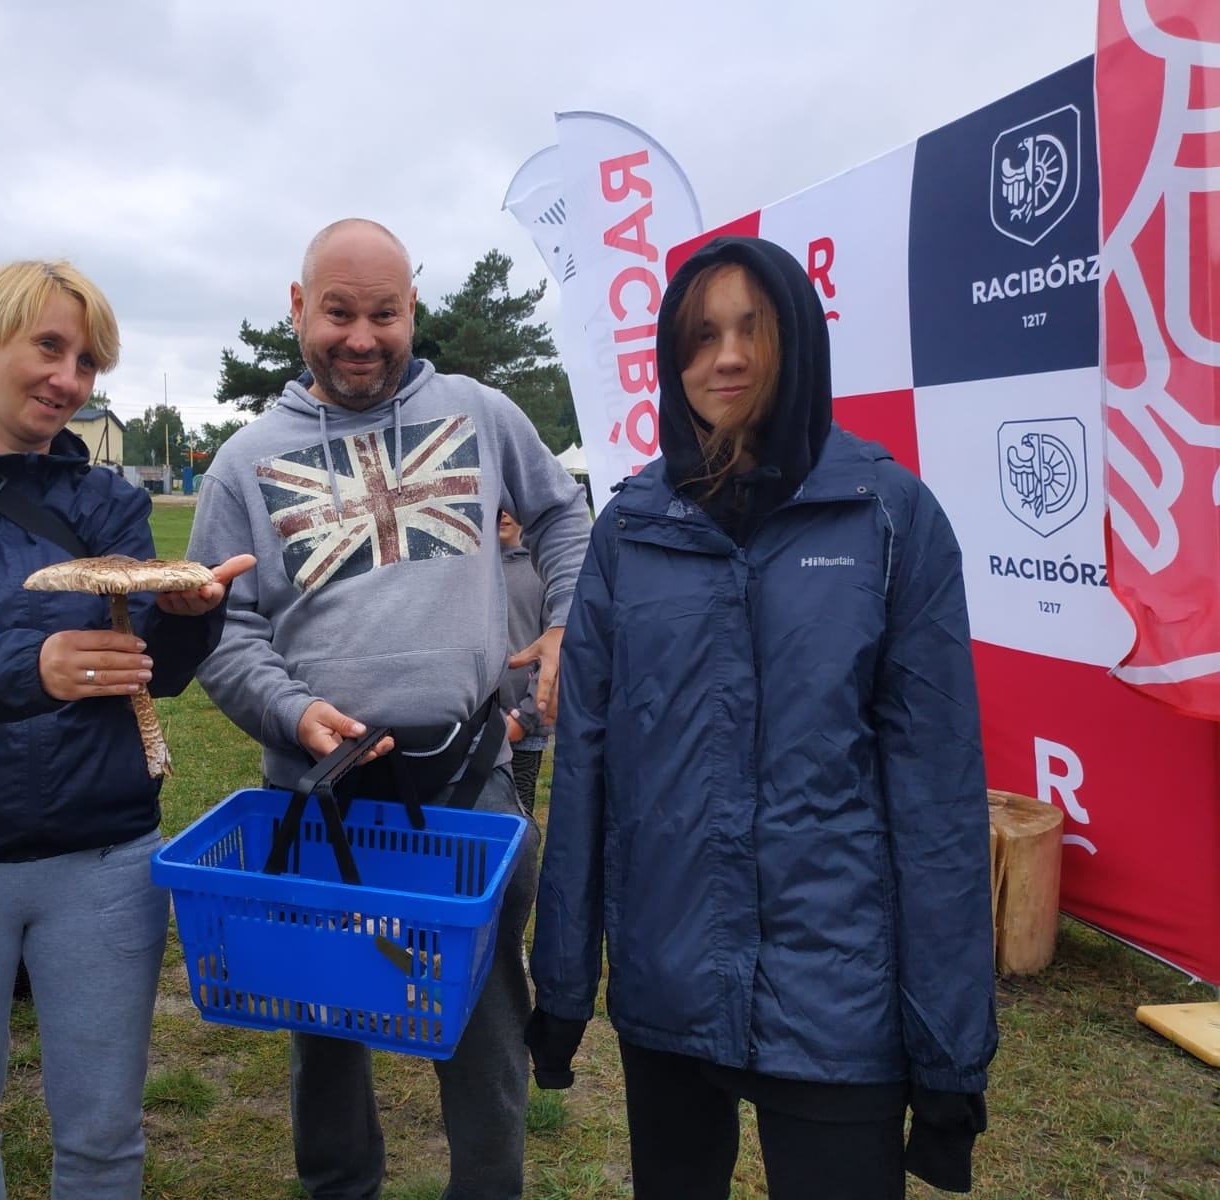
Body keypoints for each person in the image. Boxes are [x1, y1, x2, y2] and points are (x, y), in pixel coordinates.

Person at [526, 236, 997, 1199]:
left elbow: (939, 798)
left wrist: (949, 1054)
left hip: (836, 999)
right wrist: (565, 987)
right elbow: (585, 769)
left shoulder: (890, 517)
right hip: (669, 977)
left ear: (801, 341)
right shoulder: (631, 530)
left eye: (752, 329)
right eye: (700, 337)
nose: (726, 358)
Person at [187, 217, 593, 1200]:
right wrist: (289, 711)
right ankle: (340, 1188)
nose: (360, 336)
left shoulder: (481, 414)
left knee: (483, 1021)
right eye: (337, 313)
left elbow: (560, 513)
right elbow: (218, 628)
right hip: (319, 795)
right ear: (298, 308)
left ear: (412, 308)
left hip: (468, 786)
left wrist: (569, 621)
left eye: (383, 312)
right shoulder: (242, 462)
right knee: (323, 1024)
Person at [0, 259, 253, 1200]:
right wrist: (32, 668)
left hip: (101, 858)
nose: (70, 380)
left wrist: (187, 615)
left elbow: (154, 672)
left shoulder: (109, 504)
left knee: (104, 1140)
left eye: (89, 362)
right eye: (50, 348)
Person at [495, 507, 553, 819]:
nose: (504, 515)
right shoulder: (473, 572)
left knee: (518, 819)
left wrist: (524, 718)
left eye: (512, 508)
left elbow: (555, 649)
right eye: (498, 507)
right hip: (473, 728)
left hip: (524, 727)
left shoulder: (541, 571)